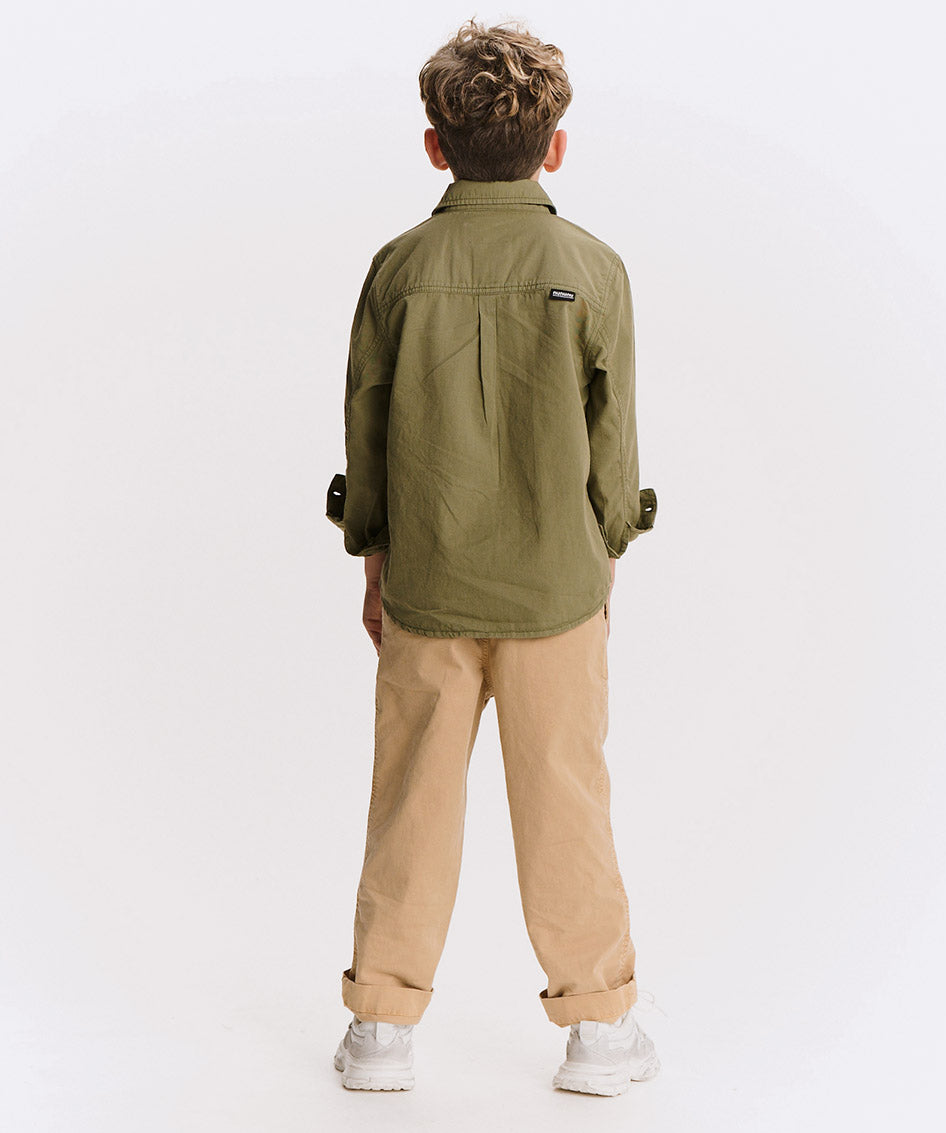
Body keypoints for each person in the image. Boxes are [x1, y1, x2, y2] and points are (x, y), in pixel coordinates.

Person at [327, 18, 660, 1096]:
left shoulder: (399, 268)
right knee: (566, 800)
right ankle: (598, 1030)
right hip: (556, 588)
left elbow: (366, 428)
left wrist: (373, 556)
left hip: (427, 583)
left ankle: (380, 1026)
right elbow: (613, 439)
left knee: (411, 801)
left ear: (436, 145)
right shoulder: (591, 266)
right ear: (554, 145)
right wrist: (607, 544)